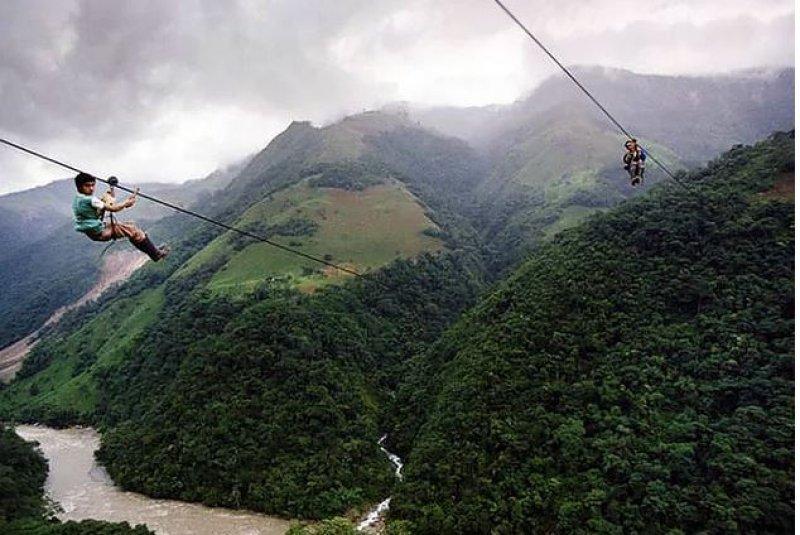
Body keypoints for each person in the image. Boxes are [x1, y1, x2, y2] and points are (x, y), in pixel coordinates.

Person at [72, 172, 169, 261]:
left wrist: (111, 189)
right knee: (133, 230)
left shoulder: (78, 199)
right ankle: (155, 254)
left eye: (93, 185)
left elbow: (105, 204)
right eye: (87, 185)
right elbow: (113, 208)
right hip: (101, 232)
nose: (91, 188)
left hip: (94, 231)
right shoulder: (90, 200)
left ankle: (153, 250)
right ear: (79, 186)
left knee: (130, 226)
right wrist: (126, 203)